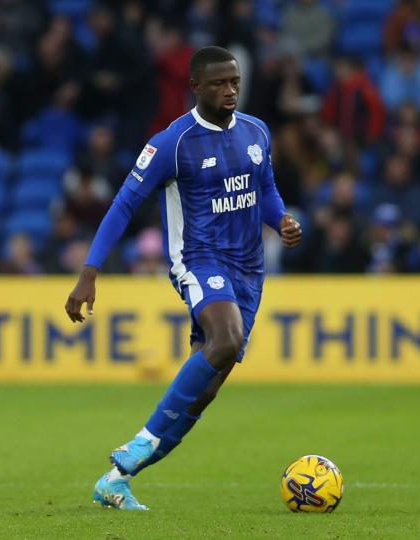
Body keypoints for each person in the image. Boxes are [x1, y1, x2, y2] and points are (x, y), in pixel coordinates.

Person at [64, 47, 302, 510]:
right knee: (228, 338)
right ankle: (138, 442)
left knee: (206, 388)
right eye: (218, 83)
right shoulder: (172, 143)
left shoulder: (257, 131)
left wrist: (282, 220)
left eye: (234, 81)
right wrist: (89, 272)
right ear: (195, 88)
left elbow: (266, 190)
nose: (229, 89)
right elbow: (124, 205)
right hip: (199, 259)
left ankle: (117, 478)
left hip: (250, 269)